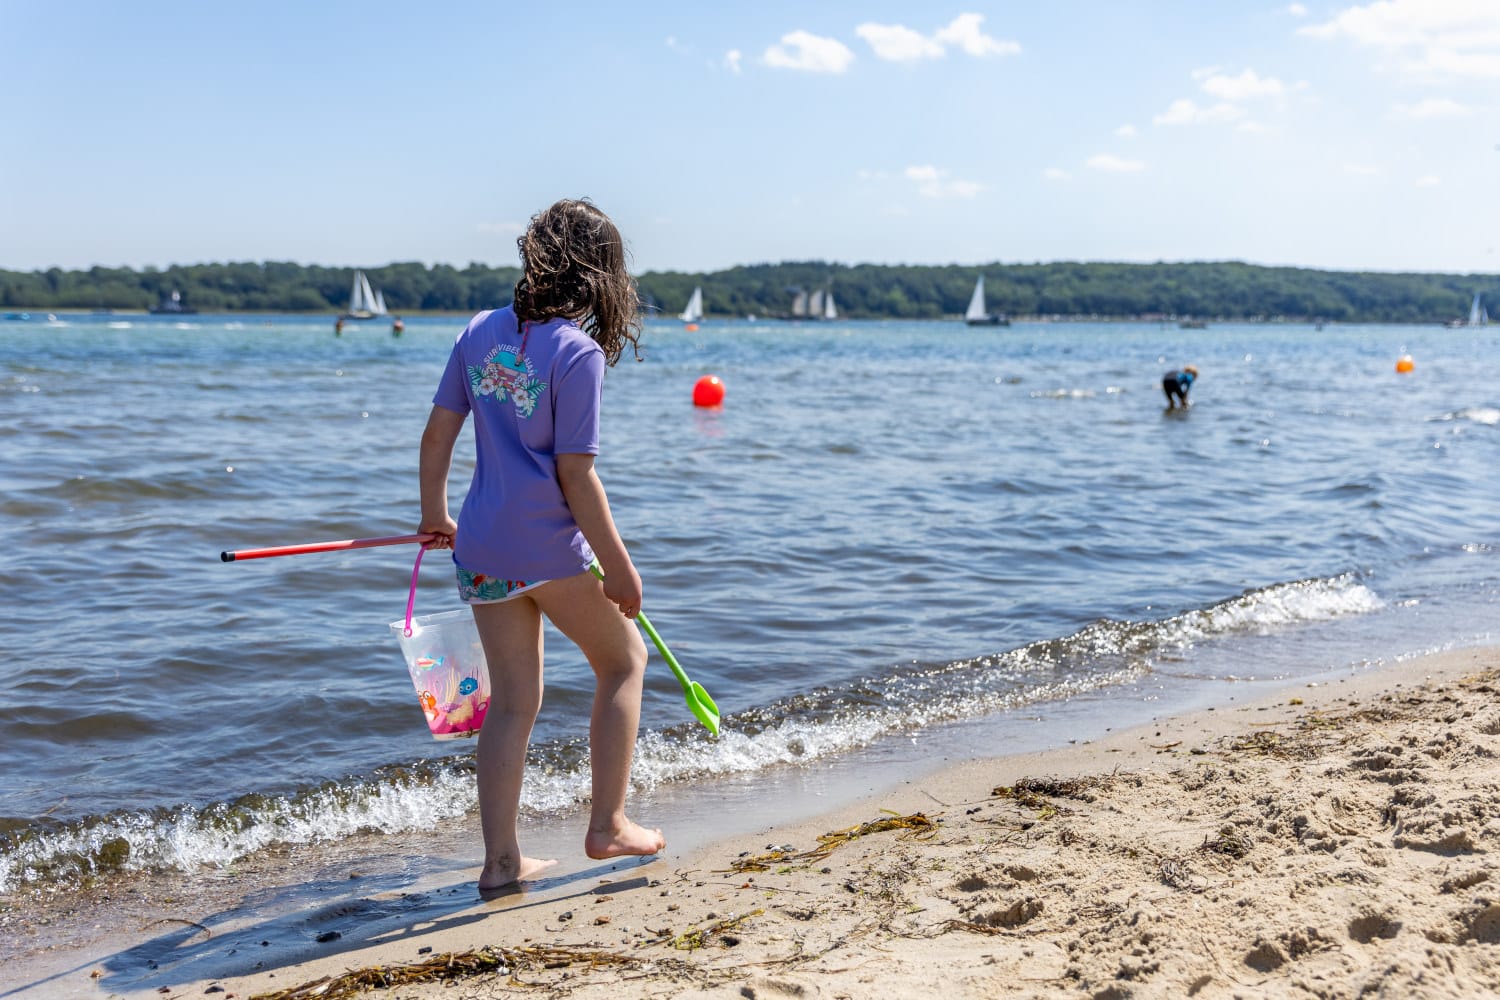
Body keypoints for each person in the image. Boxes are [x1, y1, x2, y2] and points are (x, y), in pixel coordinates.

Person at [417, 198, 662, 891]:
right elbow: (575, 475)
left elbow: (438, 436)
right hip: (549, 552)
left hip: (483, 551)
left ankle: (500, 862)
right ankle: (609, 823)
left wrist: (436, 513)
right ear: (600, 277)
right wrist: (619, 568)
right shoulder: (577, 353)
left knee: (513, 704)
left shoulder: (476, 332)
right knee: (623, 662)